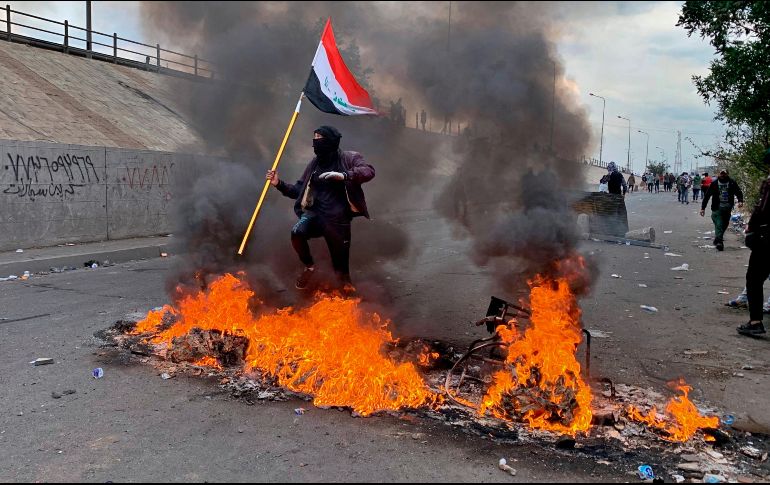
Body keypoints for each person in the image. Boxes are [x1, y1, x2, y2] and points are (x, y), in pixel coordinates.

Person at [267, 126, 375, 290]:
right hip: (315, 215)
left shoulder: (349, 157)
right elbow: (299, 190)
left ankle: (348, 304)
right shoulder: (315, 163)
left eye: (319, 137)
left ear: (330, 140)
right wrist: (279, 184)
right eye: (314, 137)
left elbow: (368, 171)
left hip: (338, 221)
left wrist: (344, 175)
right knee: (297, 233)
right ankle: (310, 267)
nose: (315, 141)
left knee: (341, 274)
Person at [739, 150, 770, 336]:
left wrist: (751, 230)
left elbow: (762, 210)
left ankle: (756, 322)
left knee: (754, 279)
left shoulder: (769, 184)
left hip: (766, 239)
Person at [700, 169, 744, 252]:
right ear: (719, 174)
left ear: (727, 174)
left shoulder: (732, 182)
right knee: (719, 223)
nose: (723, 175)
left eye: (724, 174)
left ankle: (717, 238)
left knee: (725, 223)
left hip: (728, 207)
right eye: (721, 174)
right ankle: (720, 242)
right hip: (717, 207)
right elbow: (707, 196)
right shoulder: (714, 184)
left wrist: (740, 200)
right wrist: (703, 208)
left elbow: (738, 192)